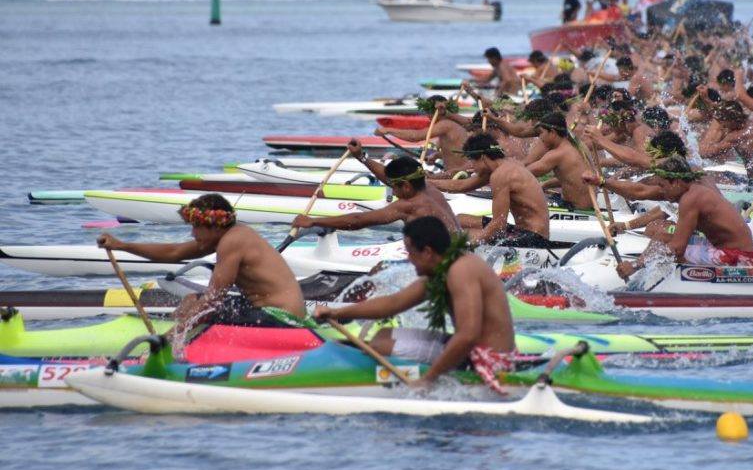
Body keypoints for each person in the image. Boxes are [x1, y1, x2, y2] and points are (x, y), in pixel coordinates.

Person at [314, 217, 516, 393]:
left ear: (427, 252)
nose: (409, 260)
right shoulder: (445, 268)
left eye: (410, 253)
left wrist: (428, 379)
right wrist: (336, 312)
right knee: (383, 335)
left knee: (380, 345)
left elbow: (468, 335)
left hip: (491, 359)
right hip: (469, 348)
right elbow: (393, 303)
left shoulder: (460, 271)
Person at [96, 194, 308, 327]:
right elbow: (173, 252)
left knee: (201, 307)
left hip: (283, 318)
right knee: (190, 300)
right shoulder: (225, 235)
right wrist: (121, 245)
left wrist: (171, 336)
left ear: (215, 226)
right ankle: (171, 332)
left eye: (196, 227)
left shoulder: (233, 241)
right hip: (264, 308)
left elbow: (213, 299)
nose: (192, 233)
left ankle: (170, 341)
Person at [585, 157, 753, 277]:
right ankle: (649, 278)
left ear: (675, 182)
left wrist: (636, 265)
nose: (662, 190)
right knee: (661, 236)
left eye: (663, 185)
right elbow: (639, 191)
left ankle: (651, 284)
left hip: (739, 258)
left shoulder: (691, 198)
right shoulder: (687, 188)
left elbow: (677, 249)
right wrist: (601, 182)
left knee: (669, 251)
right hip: (729, 250)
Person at [292, 149, 460, 233]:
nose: (392, 192)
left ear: (407, 186)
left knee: (378, 271)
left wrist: (313, 222)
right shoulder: (428, 187)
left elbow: (359, 220)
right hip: (460, 252)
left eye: (393, 187)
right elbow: (387, 177)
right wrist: (363, 157)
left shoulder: (409, 205)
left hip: (445, 265)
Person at [430, 134, 551, 245]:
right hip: (522, 231)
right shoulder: (501, 166)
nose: (471, 166)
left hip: (534, 238)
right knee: (459, 220)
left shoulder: (501, 175)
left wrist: (471, 244)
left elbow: (498, 225)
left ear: (482, 157)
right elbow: (461, 186)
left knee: (458, 235)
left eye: (472, 160)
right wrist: (427, 182)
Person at [375, 96, 470, 173]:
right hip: (454, 173)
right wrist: (436, 155)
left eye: (427, 112)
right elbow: (455, 151)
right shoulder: (453, 123)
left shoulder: (445, 124)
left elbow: (415, 136)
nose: (427, 116)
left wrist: (387, 130)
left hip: (458, 176)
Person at [524, 113, 592, 210]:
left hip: (576, 209)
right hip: (583, 205)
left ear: (552, 132)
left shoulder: (558, 154)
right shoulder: (575, 147)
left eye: (541, 133)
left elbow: (523, 173)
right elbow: (570, 178)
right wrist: (545, 184)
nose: (540, 138)